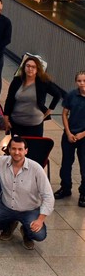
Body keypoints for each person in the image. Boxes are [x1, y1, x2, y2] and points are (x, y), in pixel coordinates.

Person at [0, 136, 54, 249]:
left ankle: (26, 231)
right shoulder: (1, 161)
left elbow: (48, 196)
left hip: (29, 210)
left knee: (39, 235)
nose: (17, 152)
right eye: (13, 149)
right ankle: (10, 223)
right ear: (9, 150)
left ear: (26, 151)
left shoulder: (36, 169)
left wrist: (40, 220)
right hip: (6, 207)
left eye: (20, 149)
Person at [4, 56, 58, 137]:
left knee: (34, 148)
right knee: (18, 148)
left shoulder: (43, 82)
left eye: (33, 67)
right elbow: (9, 100)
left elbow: (57, 94)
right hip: (17, 123)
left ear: (37, 69)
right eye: (28, 66)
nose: (30, 69)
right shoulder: (17, 80)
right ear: (24, 67)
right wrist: (6, 118)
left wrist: (50, 110)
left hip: (35, 125)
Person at [55, 72, 85, 205]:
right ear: (75, 82)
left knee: (84, 165)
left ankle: (84, 192)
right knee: (66, 163)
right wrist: (67, 132)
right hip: (70, 134)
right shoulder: (71, 95)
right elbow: (64, 113)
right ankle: (65, 187)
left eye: (84, 81)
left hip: (83, 136)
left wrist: (82, 134)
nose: (82, 83)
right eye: (79, 81)